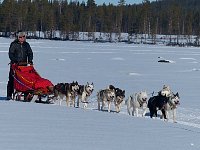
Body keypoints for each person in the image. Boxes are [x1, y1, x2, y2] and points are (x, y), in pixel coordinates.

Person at [6, 31, 33, 100]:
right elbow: (11, 54)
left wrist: (30, 60)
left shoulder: (26, 45)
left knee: (25, 80)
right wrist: (14, 61)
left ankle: (26, 94)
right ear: (18, 37)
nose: (22, 38)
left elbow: (30, 53)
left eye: (23, 37)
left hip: (24, 66)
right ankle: (9, 95)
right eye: (20, 37)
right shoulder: (14, 44)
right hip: (15, 65)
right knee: (12, 80)